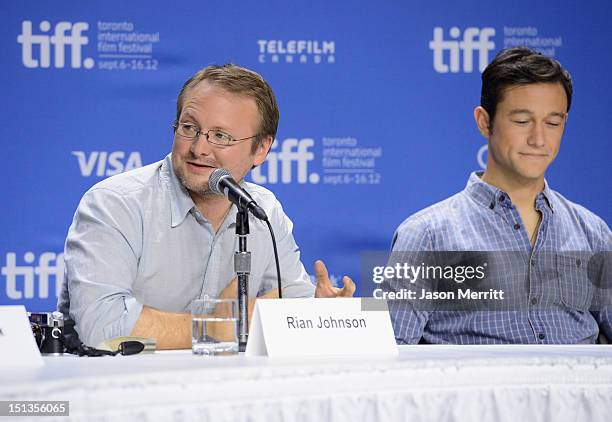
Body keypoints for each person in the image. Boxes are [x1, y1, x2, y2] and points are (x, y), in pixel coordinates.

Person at [59, 64, 355, 349]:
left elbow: (289, 306)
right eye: (189, 128)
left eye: (220, 136)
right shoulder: (115, 204)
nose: (199, 148)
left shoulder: (263, 210)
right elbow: (101, 326)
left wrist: (320, 314)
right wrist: (212, 327)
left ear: (261, 149)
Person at [388, 47, 611, 344]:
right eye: (521, 121)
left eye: (553, 123)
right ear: (484, 122)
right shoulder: (426, 236)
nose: (538, 139)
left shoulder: (593, 232)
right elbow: (387, 361)